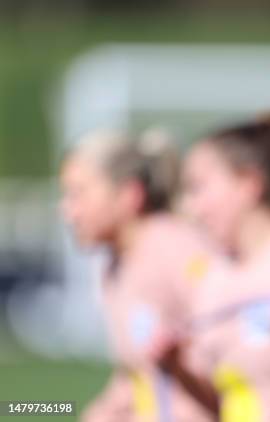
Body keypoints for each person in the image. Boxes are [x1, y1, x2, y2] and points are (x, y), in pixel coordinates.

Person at [60, 129, 217, 422]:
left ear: (128, 194)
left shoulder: (177, 249)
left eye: (78, 194)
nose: (68, 211)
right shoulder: (115, 266)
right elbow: (137, 373)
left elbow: (232, 357)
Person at [176, 117, 270, 422]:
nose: (191, 207)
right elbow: (216, 398)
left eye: (198, 187)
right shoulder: (210, 280)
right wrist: (175, 364)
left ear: (247, 184)